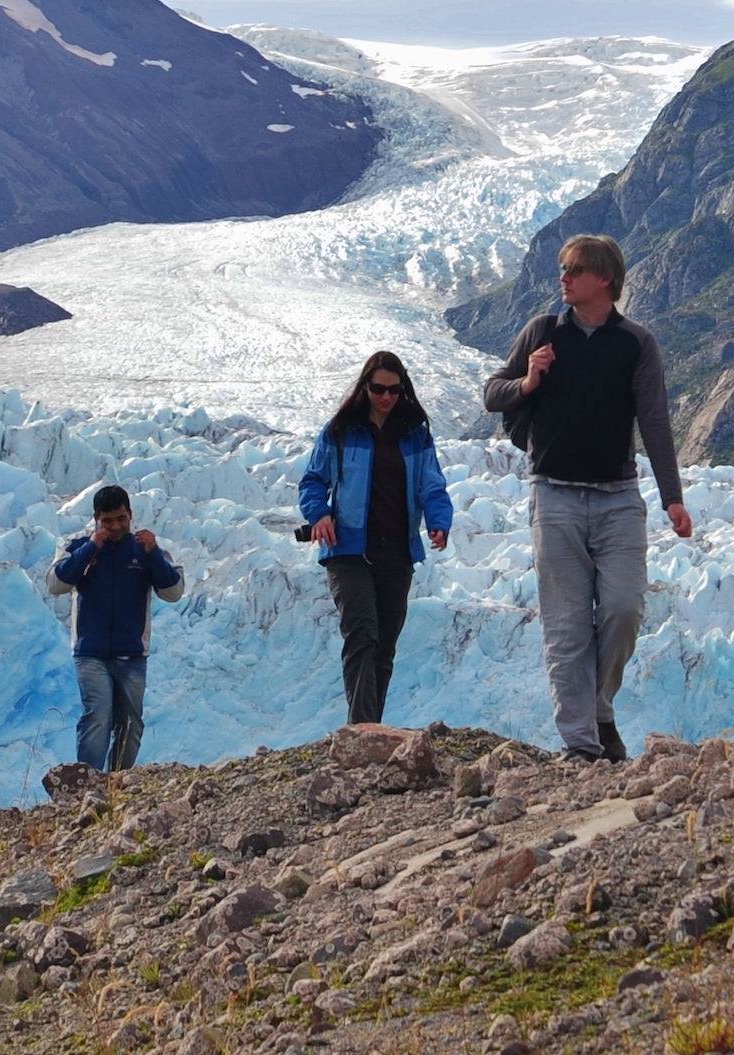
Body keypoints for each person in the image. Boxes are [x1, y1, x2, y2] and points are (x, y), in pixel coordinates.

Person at [482, 233, 693, 762]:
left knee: (624, 609)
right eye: (563, 268)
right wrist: (529, 382)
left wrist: (672, 497)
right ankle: (581, 744)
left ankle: (598, 709)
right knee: (567, 625)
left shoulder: (636, 343)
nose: (564, 278)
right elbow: (492, 394)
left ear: (605, 279)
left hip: (618, 496)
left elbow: (655, 421)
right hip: (553, 494)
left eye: (574, 269)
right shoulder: (543, 332)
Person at [297, 350, 457, 725]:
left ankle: (371, 732)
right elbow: (313, 480)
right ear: (364, 387)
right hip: (348, 549)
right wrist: (319, 514)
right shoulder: (340, 431)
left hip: (397, 552)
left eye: (394, 390)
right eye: (378, 389)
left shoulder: (415, 435)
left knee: (383, 649)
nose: (386, 397)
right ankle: (361, 731)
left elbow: (432, 486)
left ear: (404, 389)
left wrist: (439, 522)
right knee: (362, 635)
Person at [49, 484, 183, 771]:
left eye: (121, 518)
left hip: (132, 654)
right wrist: (90, 549)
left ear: (130, 515)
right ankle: (88, 784)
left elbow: (173, 592)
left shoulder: (145, 549)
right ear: (96, 518)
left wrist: (153, 555)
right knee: (97, 716)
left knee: (131, 724)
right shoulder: (76, 547)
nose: (116, 526)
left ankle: (118, 783)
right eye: (107, 520)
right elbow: (56, 584)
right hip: (90, 653)